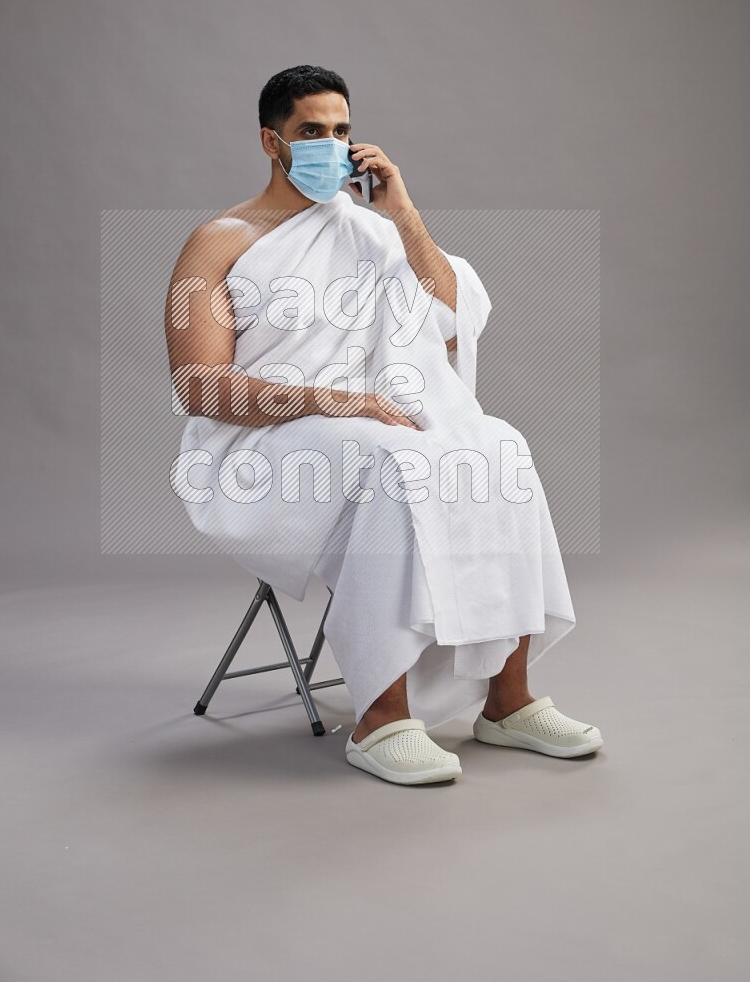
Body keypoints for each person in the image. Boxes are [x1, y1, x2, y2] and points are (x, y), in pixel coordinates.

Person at [165, 64, 603, 786]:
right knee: (395, 461)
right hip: (257, 445)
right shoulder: (219, 240)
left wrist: (403, 214)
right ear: (271, 142)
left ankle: (509, 700)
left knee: (500, 447)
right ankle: (380, 716)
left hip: (372, 421)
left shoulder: (373, 233)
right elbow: (199, 385)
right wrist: (337, 402)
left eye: (341, 131)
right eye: (311, 132)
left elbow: (456, 325)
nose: (330, 146)